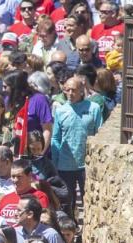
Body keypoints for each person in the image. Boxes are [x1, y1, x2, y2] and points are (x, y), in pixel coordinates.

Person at [50, 78, 103, 217]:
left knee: (90, 197)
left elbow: (100, 134)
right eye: (67, 90)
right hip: (65, 164)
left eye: (74, 90)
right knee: (67, 199)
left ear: (81, 90)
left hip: (86, 163)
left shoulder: (93, 108)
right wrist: (55, 162)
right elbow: (56, 138)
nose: (70, 93)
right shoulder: (61, 111)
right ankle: (70, 228)